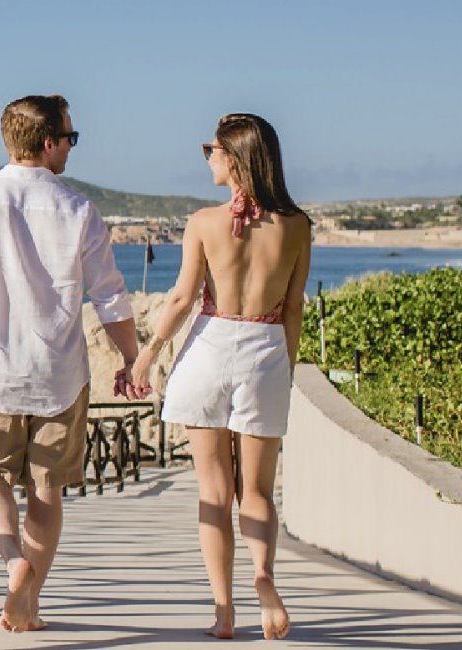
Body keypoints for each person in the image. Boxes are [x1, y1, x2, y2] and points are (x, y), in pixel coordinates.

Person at [0, 94, 144, 633]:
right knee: (46, 490)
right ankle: (29, 603)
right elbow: (110, 297)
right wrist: (131, 358)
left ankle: (13, 561)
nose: (73, 147)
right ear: (49, 142)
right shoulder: (79, 210)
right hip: (60, 374)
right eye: (70, 138)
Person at [131, 113, 309, 640]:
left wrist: (148, 354)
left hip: (209, 349)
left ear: (234, 158)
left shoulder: (204, 222)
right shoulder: (297, 225)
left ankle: (224, 612)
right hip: (265, 348)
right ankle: (263, 576)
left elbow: (182, 298)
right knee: (257, 491)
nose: (207, 157)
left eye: (211, 149)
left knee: (213, 492)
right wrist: (285, 367)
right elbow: (293, 308)